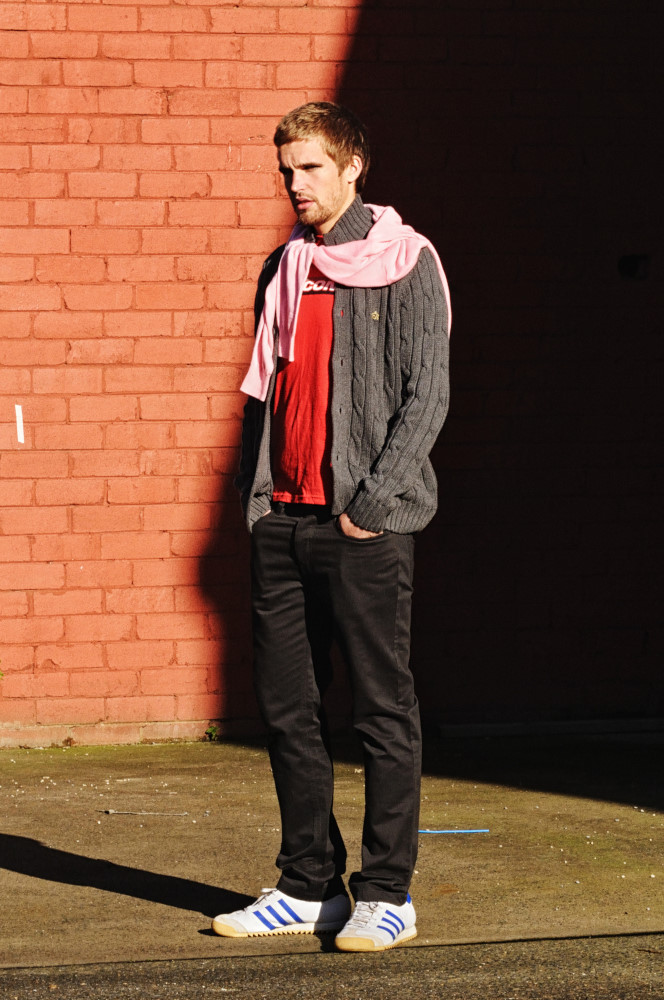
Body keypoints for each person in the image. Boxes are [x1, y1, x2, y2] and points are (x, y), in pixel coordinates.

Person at [211, 102, 450, 952]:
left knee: (383, 710)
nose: (294, 184)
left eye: (309, 167)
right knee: (287, 710)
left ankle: (388, 893)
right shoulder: (284, 266)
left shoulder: (405, 262)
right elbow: (262, 389)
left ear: (352, 164)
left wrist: (372, 507)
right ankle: (309, 884)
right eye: (286, 170)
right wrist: (256, 498)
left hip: (363, 528)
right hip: (283, 516)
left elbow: (427, 398)